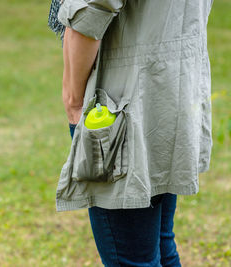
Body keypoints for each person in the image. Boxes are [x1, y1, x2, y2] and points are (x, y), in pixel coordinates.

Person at [49, 0, 214, 266]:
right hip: (169, 89)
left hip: (122, 104)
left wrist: (74, 98)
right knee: (158, 245)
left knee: (133, 259)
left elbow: (92, 6)